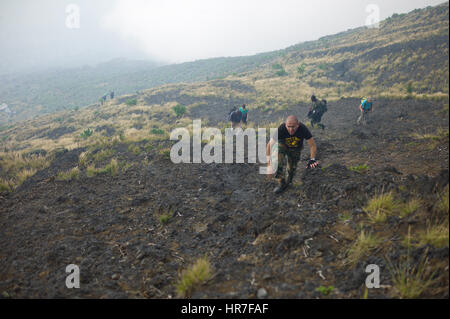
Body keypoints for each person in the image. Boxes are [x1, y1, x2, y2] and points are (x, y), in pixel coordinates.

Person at [266, 115, 319, 194]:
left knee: (291, 169)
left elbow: (312, 145)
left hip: (295, 148)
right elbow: (269, 145)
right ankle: (281, 183)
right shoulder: (281, 129)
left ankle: (288, 182)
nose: (291, 129)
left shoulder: (303, 129)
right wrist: (269, 165)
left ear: (298, 125)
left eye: (293, 127)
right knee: (276, 162)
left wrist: (312, 159)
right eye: (288, 126)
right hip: (283, 145)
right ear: (285, 125)